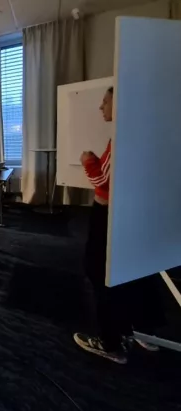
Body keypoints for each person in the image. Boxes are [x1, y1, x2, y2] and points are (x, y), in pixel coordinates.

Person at [73, 87, 160, 364]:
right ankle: (143, 331)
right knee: (136, 271)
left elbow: (103, 182)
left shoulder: (123, 136)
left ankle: (110, 342)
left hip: (109, 214)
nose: (101, 107)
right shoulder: (144, 130)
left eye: (105, 101)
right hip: (136, 212)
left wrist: (87, 160)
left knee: (99, 272)